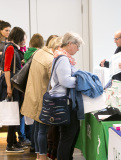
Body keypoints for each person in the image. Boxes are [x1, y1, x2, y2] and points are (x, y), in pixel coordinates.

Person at [20, 36, 62, 160]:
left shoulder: (39, 53)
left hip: (33, 95)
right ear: (57, 47)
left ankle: (39, 155)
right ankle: (42, 156)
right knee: (42, 130)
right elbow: (55, 81)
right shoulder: (50, 60)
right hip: (42, 98)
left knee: (38, 128)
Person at [49, 32, 84, 160]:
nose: (78, 49)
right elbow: (65, 81)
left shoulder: (61, 57)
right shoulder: (63, 58)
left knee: (69, 135)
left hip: (64, 102)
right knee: (67, 136)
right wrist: (81, 81)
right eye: (77, 45)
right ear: (70, 44)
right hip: (65, 103)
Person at [2, 27, 27, 152]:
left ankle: (14, 142)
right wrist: (9, 87)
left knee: (15, 114)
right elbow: (7, 68)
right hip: (12, 84)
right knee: (13, 114)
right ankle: (10, 144)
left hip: (13, 84)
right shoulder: (11, 48)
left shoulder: (12, 48)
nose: (23, 40)